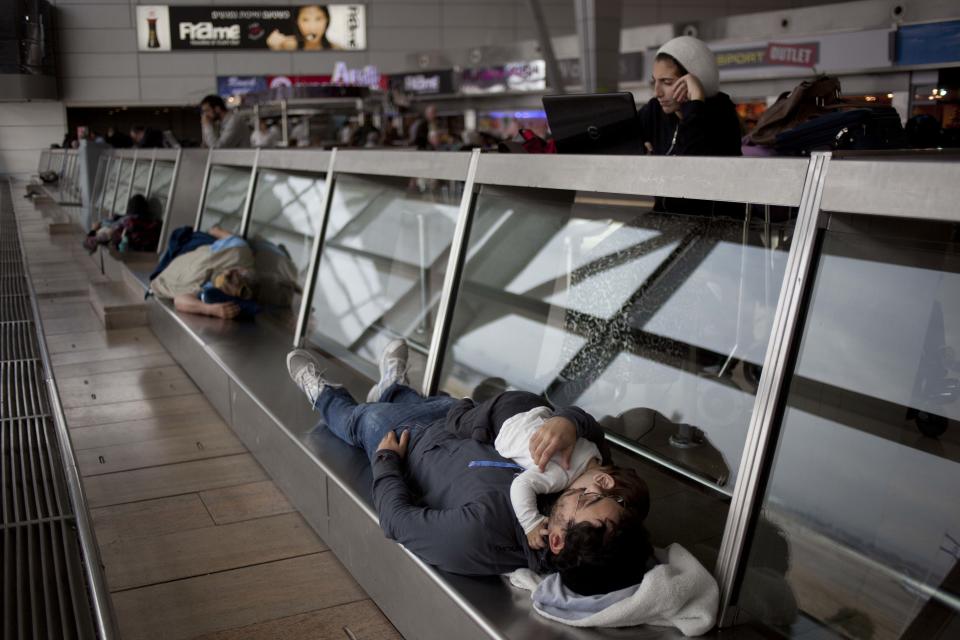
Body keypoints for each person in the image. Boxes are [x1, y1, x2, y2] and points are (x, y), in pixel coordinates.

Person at [286, 340, 654, 594]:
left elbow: (399, 522)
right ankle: (394, 385)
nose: (590, 485)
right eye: (604, 493)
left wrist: (386, 463)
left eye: (585, 500)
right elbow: (595, 443)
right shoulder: (589, 500)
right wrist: (570, 422)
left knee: (359, 419)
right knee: (416, 399)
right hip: (459, 415)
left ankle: (323, 394)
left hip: (406, 441)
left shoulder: (480, 531)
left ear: (557, 541)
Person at [639, 36, 741, 157]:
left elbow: (691, 163)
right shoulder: (654, 109)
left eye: (667, 82)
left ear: (695, 82)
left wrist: (696, 101)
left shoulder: (722, 113)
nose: (657, 93)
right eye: (654, 81)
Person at [266, 5, 339, 51]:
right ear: (297, 22)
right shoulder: (287, 46)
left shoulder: (337, 50)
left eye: (318, 19)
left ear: (327, 20)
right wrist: (275, 48)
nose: (312, 27)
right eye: (305, 20)